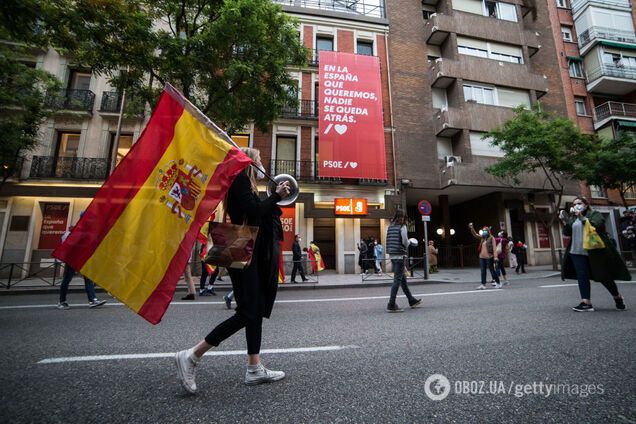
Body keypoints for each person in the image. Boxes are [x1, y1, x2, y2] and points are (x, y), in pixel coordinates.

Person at [175, 147, 291, 394]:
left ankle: (254, 368)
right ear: (250, 162)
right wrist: (276, 197)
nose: (263, 163)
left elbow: (256, 212)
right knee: (248, 312)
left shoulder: (247, 183)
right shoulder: (239, 178)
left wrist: (272, 199)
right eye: (259, 159)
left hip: (247, 250)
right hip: (240, 249)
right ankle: (192, 355)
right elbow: (252, 211)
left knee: (255, 310)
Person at [560, 197, 630, 312]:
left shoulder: (594, 214)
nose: (576, 205)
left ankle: (617, 296)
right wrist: (564, 221)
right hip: (576, 251)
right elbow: (567, 233)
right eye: (574, 204)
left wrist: (581, 216)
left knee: (603, 276)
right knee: (582, 276)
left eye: (579, 203)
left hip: (594, 251)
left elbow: (597, 226)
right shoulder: (573, 218)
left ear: (586, 205)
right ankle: (586, 302)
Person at [57, 219, 107, 310]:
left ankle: (92, 300)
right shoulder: (72, 232)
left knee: (88, 278)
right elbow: (67, 245)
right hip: (72, 259)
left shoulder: (86, 232)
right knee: (67, 279)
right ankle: (62, 301)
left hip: (82, 258)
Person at [385, 209, 422, 312]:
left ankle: (411, 300)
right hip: (400, 256)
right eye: (404, 217)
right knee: (397, 280)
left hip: (392, 256)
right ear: (404, 217)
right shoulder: (402, 227)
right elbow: (405, 242)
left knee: (403, 280)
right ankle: (391, 304)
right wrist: (410, 242)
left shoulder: (390, 227)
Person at [469, 223, 501, 289]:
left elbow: (494, 248)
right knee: (483, 271)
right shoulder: (482, 238)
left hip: (489, 257)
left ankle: (498, 282)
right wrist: (472, 228)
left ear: (488, 231)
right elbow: (475, 235)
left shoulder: (492, 238)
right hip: (482, 257)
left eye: (485, 230)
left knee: (492, 270)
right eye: (483, 231)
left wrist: (495, 257)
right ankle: (483, 284)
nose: (484, 232)